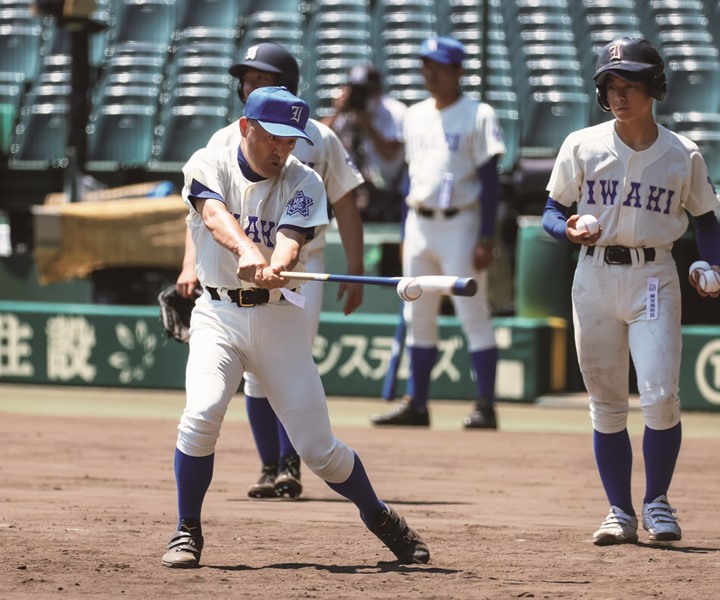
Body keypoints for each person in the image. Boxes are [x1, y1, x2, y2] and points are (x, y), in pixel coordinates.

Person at [161, 86, 429, 569]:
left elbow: (291, 238)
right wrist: (247, 253)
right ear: (247, 128)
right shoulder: (208, 162)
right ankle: (187, 530)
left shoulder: (304, 180)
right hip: (218, 314)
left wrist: (278, 262)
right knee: (201, 414)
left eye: (291, 141)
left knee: (318, 451)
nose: (282, 150)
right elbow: (213, 214)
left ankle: (380, 514)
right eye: (273, 138)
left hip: (280, 318)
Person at [541, 37, 720, 546]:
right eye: (611, 85)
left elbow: (707, 218)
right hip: (594, 275)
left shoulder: (682, 153)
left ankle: (657, 501)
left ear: (655, 87)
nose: (620, 95)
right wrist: (569, 231)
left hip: (654, 277)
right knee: (606, 400)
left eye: (631, 84)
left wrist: (714, 262)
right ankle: (619, 511)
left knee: (661, 395)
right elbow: (552, 212)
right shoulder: (581, 144)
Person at [176, 42, 365, 500]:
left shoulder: (319, 142)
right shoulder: (223, 142)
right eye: (249, 78)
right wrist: (192, 265)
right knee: (233, 391)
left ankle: (293, 460)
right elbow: (206, 213)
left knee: (282, 369)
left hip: (298, 266)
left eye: (263, 78)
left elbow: (338, 206)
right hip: (230, 273)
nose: (251, 84)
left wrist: (346, 266)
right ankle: (273, 465)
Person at [370, 36, 506, 430]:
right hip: (418, 221)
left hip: (461, 221)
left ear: (458, 71)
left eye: (440, 66)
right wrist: (403, 232)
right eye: (426, 65)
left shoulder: (478, 114)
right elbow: (410, 180)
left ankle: (485, 405)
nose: (430, 73)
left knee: (472, 314)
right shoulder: (414, 115)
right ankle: (418, 403)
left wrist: (485, 238)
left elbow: (490, 181)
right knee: (418, 313)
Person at [321, 64, 407, 222]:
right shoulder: (346, 111)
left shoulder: (394, 112)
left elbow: (390, 153)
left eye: (366, 91)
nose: (361, 96)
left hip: (388, 197)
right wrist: (336, 112)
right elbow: (318, 142)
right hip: (352, 196)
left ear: (378, 91)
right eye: (356, 90)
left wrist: (367, 125)